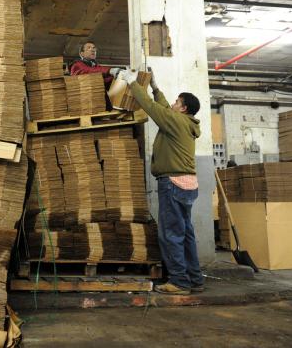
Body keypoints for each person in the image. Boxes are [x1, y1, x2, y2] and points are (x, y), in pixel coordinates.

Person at [118, 68, 204, 295]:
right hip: (187, 185)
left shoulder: (175, 121)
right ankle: (194, 279)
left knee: (170, 234)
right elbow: (164, 107)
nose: (173, 104)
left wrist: (132, 83)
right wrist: (155, 88)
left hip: (173, 183)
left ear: (183, 108)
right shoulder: (185, 122)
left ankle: (179, 282)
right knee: (185, 233)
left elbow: (153, 109)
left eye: (177, 102)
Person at [69, 41, 121, 110]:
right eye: (89, 48)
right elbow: (88, 71)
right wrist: (109, 71)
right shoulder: (77, 65)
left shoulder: (96, 66)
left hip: (99, 104)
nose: (93, 50)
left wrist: (117, 77)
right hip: (85, 104)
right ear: (82, 54)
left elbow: (103, 81)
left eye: (94, 48)